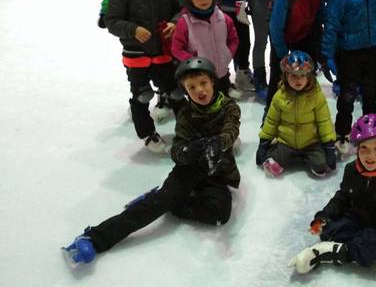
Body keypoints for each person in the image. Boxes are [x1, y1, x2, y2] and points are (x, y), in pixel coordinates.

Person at [62, 57, 241, 267]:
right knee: (157, 204)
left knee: (219, 214)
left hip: (216, 171)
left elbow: (231, 130)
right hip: (189, 170)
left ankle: (170, 202)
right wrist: (187, 151)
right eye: (192, 87)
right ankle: (95, 238)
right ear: (185, 91)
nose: (199, 90)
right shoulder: (185, 113)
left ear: (212, 82)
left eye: (203, 83)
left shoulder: (229, 107)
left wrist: (219, 143)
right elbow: (176, 151)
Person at [288, 114, 376, 280]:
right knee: (329, 229)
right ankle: (350, 248)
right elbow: (342, 198)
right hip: (357, 218)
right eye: (364, 148)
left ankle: (333, 252)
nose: (370, 156)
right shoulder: (352, 170)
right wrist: (324, 217)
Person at [104, 0, 185, 152]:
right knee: (142, 95)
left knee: (176, 92)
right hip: (136, 55)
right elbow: (111, 22)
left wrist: (174, 23)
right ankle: (148, 133)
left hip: (163, 54)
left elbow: (180, 11)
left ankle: (188, 128)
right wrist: (132, 30)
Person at [321, 0, 376, 154]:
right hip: (349, 54)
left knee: (369, 94)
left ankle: (369, 130)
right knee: (347, 96)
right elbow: (331, 25)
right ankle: (342, 132)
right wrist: (328, 54)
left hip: (373, 51)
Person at [266, 0, 328, 114]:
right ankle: (269, 118)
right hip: (283, 37)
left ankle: (308, 113)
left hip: (306, 34)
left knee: (308, 75)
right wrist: (283, 53)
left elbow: (321, 14)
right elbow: (276, 27)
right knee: (278, 79)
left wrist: (321, 45)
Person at [256, 51, 336, 177]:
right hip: (286, 142)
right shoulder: (279, 96)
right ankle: (285, 154)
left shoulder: (316, 96)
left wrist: (329, 145)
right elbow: (271, 121)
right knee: (271, 164)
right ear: (286, 76)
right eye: (293, 76)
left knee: (321, 167)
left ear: (309, 76)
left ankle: (306, 158)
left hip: (311, 142)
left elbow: (324, 121)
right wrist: (264, 142)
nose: (298, 80)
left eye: (302, 76)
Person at [172, 0, 239, 97]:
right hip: (200, 79)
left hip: (222, 74)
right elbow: (177, 48)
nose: (203, 0)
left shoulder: (224, 19)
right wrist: (194, 62)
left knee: (223, 102)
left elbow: (233, 39)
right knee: (203, 108)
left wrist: (227, 55)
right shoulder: (184, 23)